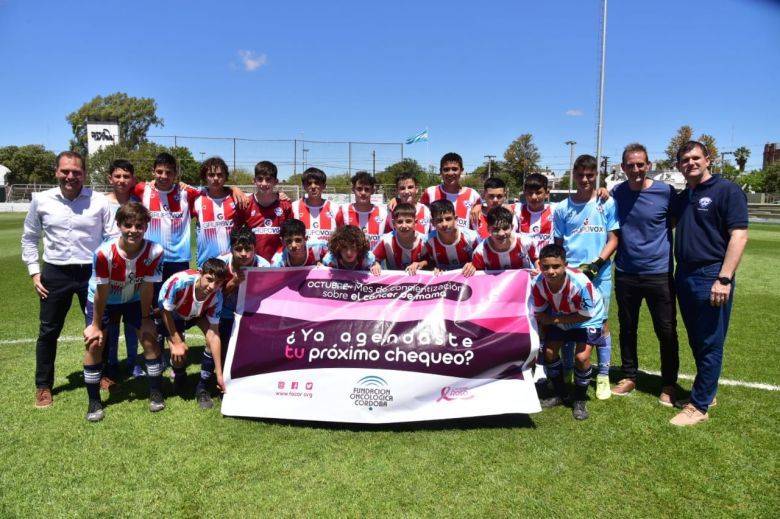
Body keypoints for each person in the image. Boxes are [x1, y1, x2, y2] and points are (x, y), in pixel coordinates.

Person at [21, 151, 113, 408]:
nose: (70, 176)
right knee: (48, 331)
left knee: (99, 326)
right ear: (56, 172)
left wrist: (108, 272)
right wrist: (34, 271)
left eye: (76, 172)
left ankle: (101, 373)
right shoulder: (41, 200)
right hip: (55, 273)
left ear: (84, 174)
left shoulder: (99, 201)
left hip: (92, 273)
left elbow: (112, 237)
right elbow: (29, 237)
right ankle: (43, 386)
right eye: (65, 171)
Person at [669, 140, 748, 426]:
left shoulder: (726, 190)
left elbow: (739, 235)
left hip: (711, 275)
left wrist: (724, 278)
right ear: (679, 165)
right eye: (685, 160)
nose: (690, 163)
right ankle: (707, 392)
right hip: (685, 274)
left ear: (708, 160)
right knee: (697, 339)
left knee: (711, 341)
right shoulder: (684, 196)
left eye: (696, 158)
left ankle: (699, 406)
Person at [610, 143, 679, 406]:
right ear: (623, 167)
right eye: (631, 165)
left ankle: (669, 384)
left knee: (666, 331)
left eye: (641, 164)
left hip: (658, 274)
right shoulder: (618, 192)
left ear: (648, 165)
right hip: (626, 272)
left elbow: (673, 222)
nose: (636, 169)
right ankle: (629, 375)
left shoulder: (666, 192)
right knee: (627, 328)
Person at [82, 203, 165, 421]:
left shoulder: (155, 251)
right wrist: (96, 325)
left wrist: (146, 318)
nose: (133, 230)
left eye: (139, 226)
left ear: (146, 226)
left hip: (135, 299)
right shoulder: (104, 253)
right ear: (119, 225)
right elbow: (102, 291)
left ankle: (156, 392)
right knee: (95, 343)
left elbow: (147, 287)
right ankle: (94, 401)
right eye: (128, 225)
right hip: (104, 300)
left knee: (149, 338)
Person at [553, 154, 619, 400]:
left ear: (596, 176)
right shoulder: (562, 208)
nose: (585, 179)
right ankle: (569, 369)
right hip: (571, 276)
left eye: (590, 175)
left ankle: (602, 375)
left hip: (599, 274)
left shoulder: (607, 203)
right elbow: (558, 244)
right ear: (574, 174)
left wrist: (597, 263)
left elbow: (614, 238)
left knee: (601, 324)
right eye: (580, 175)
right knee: (570, 322)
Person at [531, 244, 606, 421]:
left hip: (588, 318)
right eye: (546, 267)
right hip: (562, 315)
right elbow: (540, 312)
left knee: (582, 358)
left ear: (565, 265)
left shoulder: (580, 282)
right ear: (540, 266)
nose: (551, 271)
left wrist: (554, 320)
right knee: (548, 352)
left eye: (556, 266)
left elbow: (585, 315)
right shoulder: (538, 284)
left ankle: (579, 399)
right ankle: (560, 394)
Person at [157, 259, 228, 408]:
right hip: (173, 314)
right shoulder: (179, 282)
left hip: (196, 315)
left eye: (218, 283)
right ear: (201, 273)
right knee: (179, 353)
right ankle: (180, 374)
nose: (212, 286)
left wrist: (220, 375)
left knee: (211, 340)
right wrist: (176, 342)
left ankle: (202, 387)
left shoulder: (217, 296)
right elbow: (165, 311)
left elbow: (214, 335)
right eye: (209, 280)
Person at [214, 225, 271, 406]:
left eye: (248, 249)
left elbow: (269, 296)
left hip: (251, 313)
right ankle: (220, 384)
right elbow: (212, 295)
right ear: (231, 249)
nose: (244, 254)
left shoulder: (264, 265)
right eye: (239, 249)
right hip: (226, 313)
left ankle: (251, 384)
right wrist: (232, 282)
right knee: (223, 347)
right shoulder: (221, 264)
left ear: (255, 249)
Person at [103, 159, 144, 382]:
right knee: (110, 320)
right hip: (108, 267)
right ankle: (111, 363)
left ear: (133, 180)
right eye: (117, 176)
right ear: (110, 178)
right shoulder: (100, 203)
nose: (121, 180)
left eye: (126, 176)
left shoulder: (137, 202)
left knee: (131, 317)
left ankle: (132, 361)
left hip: (133, 266)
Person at [234, 161, 293, 262]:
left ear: (276, 181)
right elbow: (235, 233)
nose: (264, 183)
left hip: (279, 262)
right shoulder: (245, 205)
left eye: (268, 179)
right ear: (254, 181)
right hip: (252, 262)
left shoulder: (285, 205)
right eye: (260, 179)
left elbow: (291, 235)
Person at [193, 157, 238, 268]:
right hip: (206, 264)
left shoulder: (236, 198)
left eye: (220, 174)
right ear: (205, 177)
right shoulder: (196, 198)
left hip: (231, 264)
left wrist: (279, 195)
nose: (216, 178)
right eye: (211, 175)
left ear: (225, 176)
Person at [420, 153, 482, 230]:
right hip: (436, 240)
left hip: (463, 241)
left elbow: (485, 209)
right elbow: (419, 210)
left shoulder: (472, 194)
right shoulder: (430, 192)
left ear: (461, 171)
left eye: (454, 169)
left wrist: (479, 206)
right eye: (446, 169)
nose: (450, 173)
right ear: (440, 171)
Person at [466, 206, 532, 272]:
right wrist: (472, 267)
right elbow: (478, 276)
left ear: (512, 227)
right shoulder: (480, 252)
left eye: (505, 228)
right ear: (488, 229)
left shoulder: (526, 242)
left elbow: (537, 260)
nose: (501, 233)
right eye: (496, 229)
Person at [335, 171, 389, 250]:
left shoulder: (383, 213)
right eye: (359, 189)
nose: (363, 193)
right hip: (350, 261)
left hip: (376, 262)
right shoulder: (343, 211)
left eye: (367, 189)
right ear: (353, 189)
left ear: (373, 191)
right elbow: (337, 238)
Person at [424, 199, 479, 274]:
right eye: (439, 220)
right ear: (433, 223)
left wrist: (474, 264)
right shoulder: (428, 241)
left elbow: (484, 260)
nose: (444, 224)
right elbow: (427, 262)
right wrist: (433, 268)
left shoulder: (472, 238)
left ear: (455, 219)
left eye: (448, 219)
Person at [372, 202, 429, 275]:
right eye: (399, 222)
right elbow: (374, 259)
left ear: (415, 222)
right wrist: (375, 264)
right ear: (393, 224)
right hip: (395, 283)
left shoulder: (425, 241)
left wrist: (420, 263)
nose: (404, 226)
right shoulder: (386, 240)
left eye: (408, 221)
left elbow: (431, 262)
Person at [513, 173, 555, 268]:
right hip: (524, 267)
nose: (534, 197)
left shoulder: (556, 210)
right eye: (530, 193)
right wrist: (478, 206)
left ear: (547, 193)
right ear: (525, 193)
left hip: (548, 267)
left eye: (538, 193)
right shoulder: (517, 210)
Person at [291, 167, 339, 242]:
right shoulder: (294, 207)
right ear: (304, 186)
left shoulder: (335, 208)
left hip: (329, 253)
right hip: (303, 254)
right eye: (309, 183)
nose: (313, 186)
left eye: (317, 183)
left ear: (324, 186)